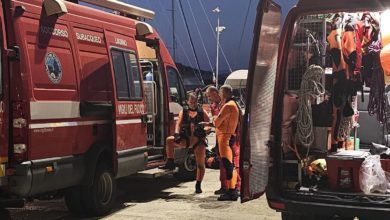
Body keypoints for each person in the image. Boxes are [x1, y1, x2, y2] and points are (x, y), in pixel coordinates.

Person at [160, 92, 210, 194]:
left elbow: (209, 125)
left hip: (198, 141)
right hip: (186, 139)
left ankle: (198, 184)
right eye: (191, 101)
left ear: (197, 101)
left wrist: (205, 130)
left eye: (195, 101)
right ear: (187, 102)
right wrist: (177, 134)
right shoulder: (184, 111)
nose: (193, 103)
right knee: (169, 140)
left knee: (200, 164)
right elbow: (178, 124)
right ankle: (170, 162)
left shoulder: (202, 112)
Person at [213, 85, 240, 201]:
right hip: (226, 137)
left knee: (228, 166)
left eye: (220, 91)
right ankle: (232, 190)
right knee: (229, 165)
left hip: (225, 138)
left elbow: (217, 122)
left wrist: (214, 118)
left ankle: (231, 191)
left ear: (224, 93)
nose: (219, 93)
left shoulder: (228, 106)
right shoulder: (233, 104)